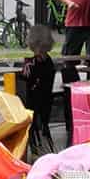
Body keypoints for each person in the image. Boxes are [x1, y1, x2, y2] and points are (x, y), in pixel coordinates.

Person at [21, 24, 57, 156]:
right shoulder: (49, 62)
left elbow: (25, 79)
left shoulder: (31, 63)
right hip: (45, 102)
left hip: (31, 104)